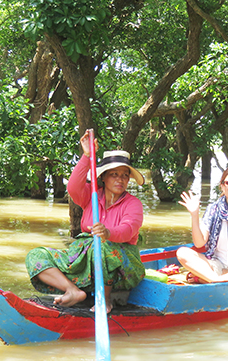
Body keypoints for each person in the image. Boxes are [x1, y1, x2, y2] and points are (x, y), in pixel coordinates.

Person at [25, 131, 145, 313]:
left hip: (123, 267)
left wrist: (108, 233)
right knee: (36, 256)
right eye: (114, 174)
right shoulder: (92, 195)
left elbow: (128, 229)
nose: (120, 179)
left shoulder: (133, 203)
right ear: (103, 177)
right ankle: (72, 290)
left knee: (103, 246)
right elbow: (73, 187)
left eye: (124, 175)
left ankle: (104, 300)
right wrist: (87, 155)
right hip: (85, 260)